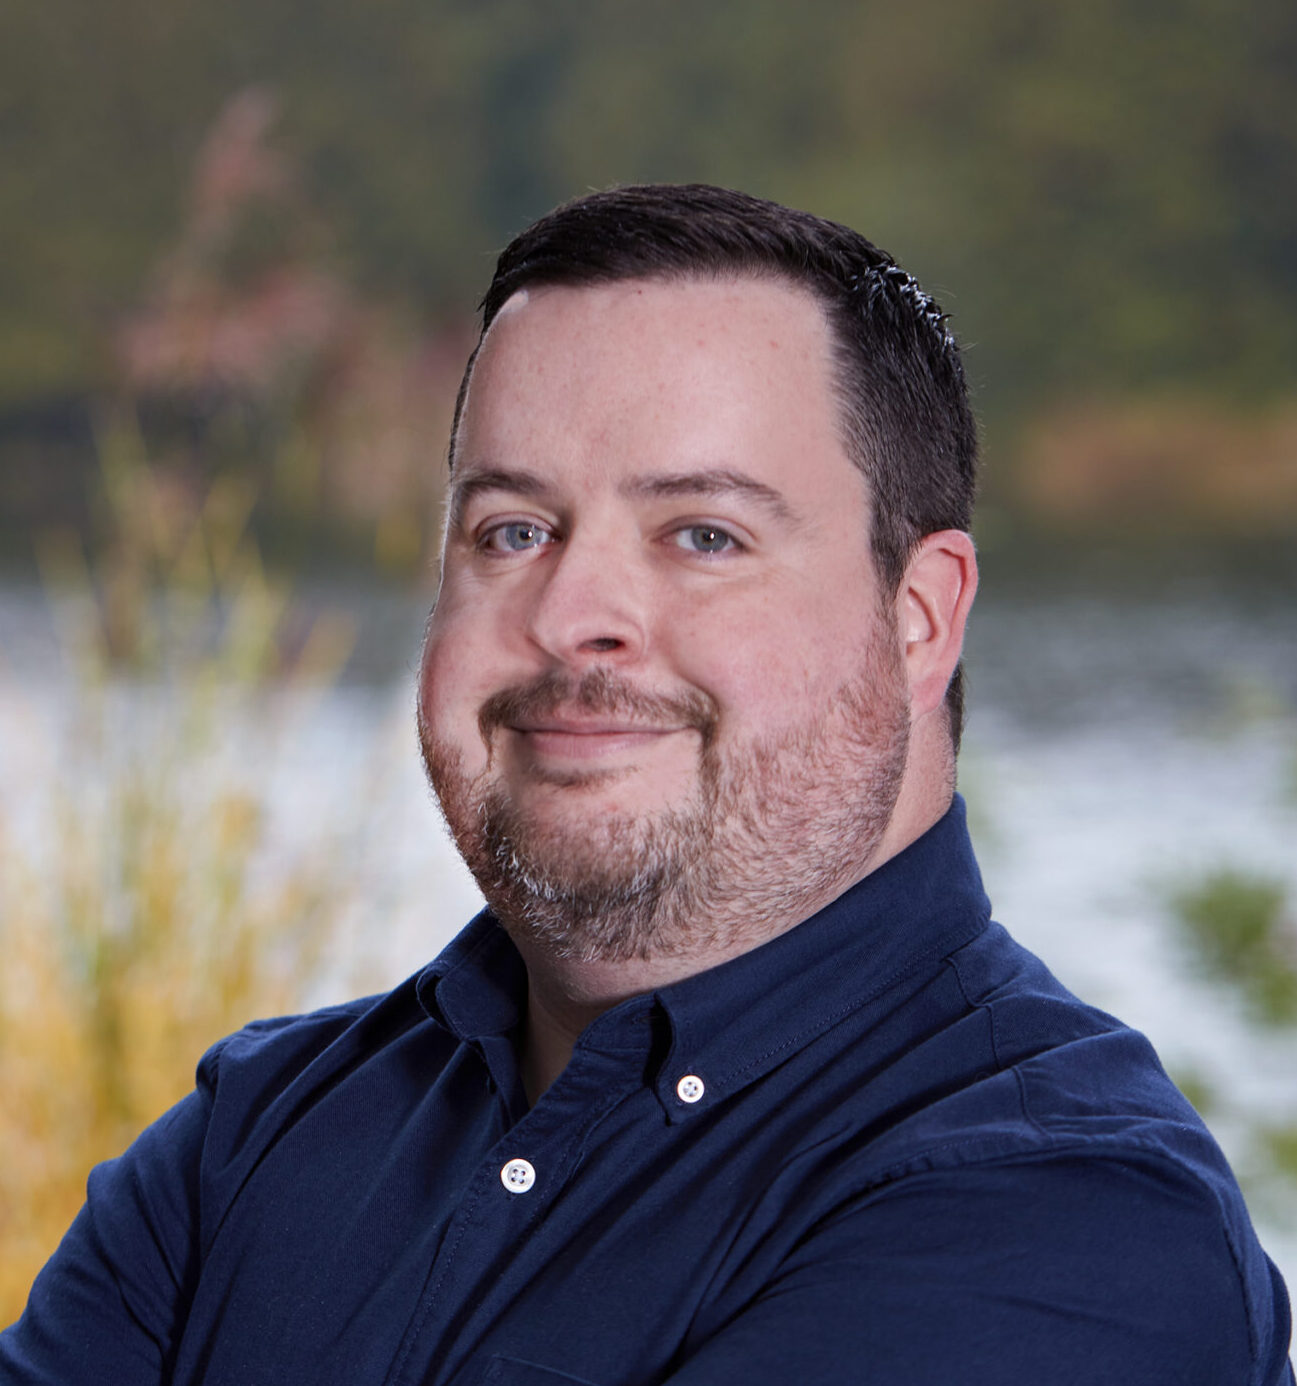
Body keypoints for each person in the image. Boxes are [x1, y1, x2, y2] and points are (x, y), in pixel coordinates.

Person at [3, 184, 1293, 1385]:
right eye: (513, 530)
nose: (573, 616)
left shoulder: (1070, 1224)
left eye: (703, 535)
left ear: (920, 618)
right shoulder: (255, 1137)